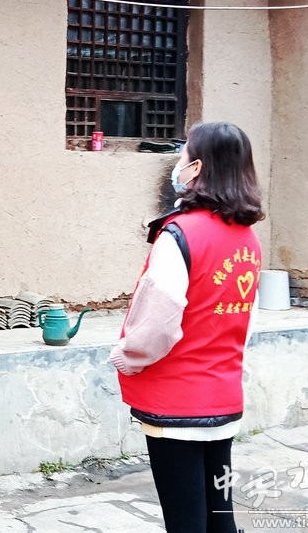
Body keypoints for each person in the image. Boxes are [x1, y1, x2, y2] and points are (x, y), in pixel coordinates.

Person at [109, 121, 265, 533]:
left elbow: (157, 323)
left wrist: (126, 356)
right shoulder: (248, 239)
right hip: (223, 395)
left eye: (183, 156)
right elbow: (243, 318)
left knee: (185, 520)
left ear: (196, 168)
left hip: (176, 402)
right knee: (219, 514)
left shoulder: (179, 234)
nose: (178, 165)